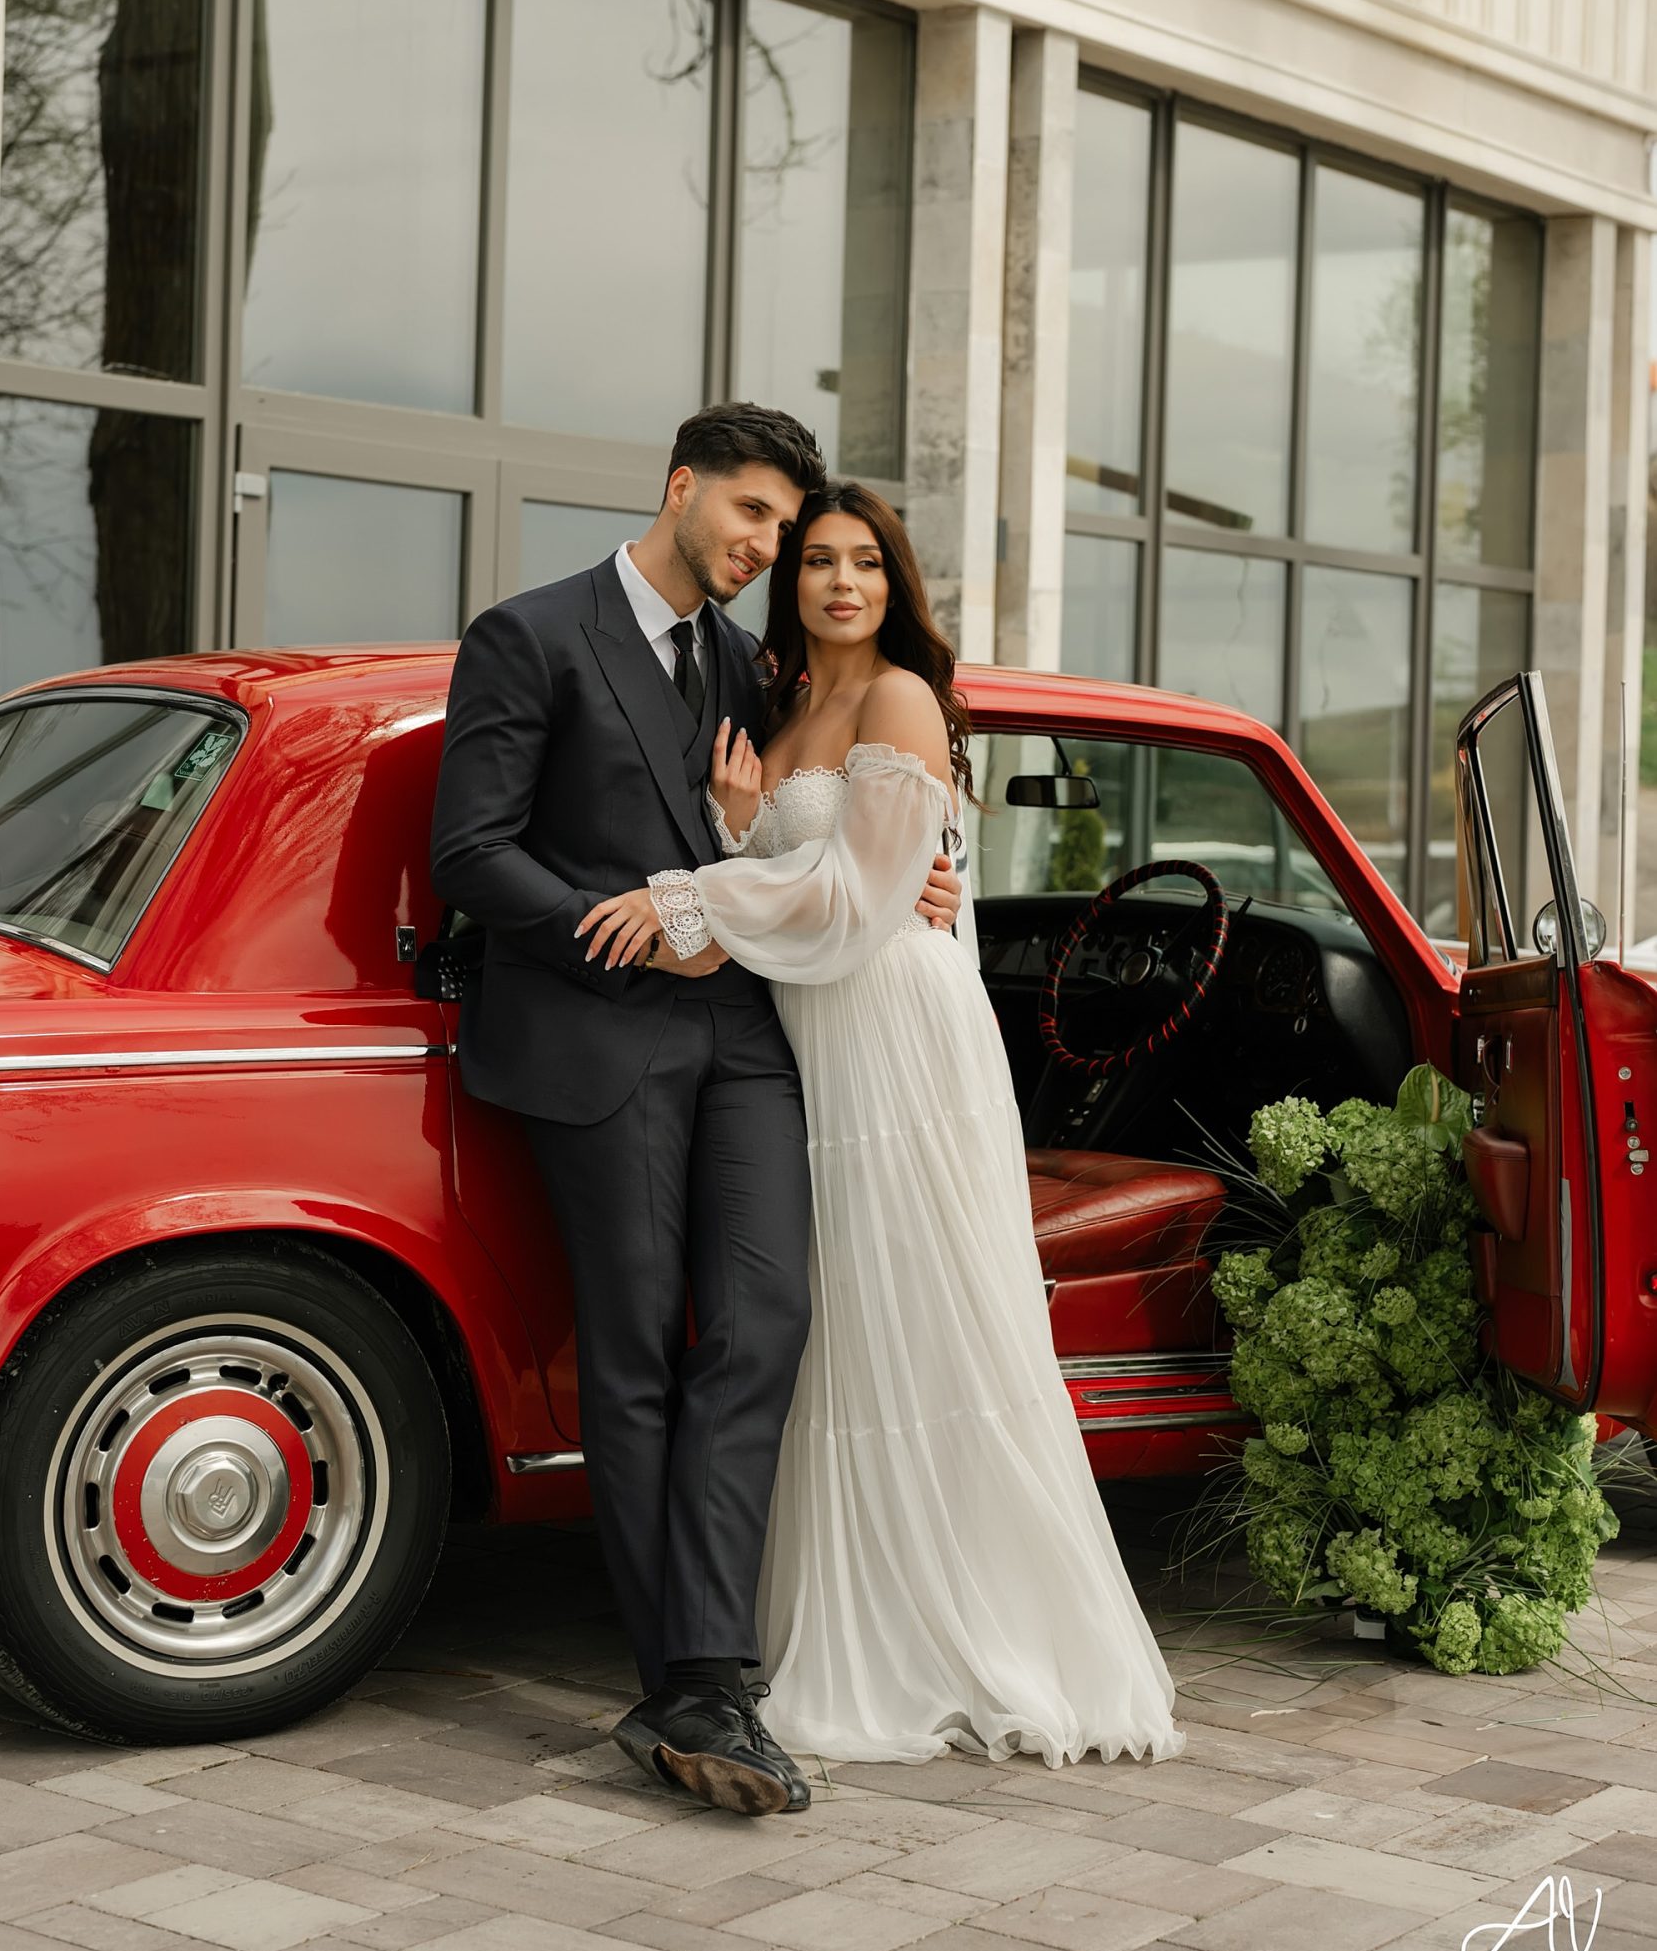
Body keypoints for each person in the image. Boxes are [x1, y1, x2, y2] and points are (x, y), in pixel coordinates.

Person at [579, 481, 1185, 1770]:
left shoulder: (902, 696)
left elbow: (867, 888)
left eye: (865, 562)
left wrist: (697, 896)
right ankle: (851, 1615)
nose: (841, 582)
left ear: (894, 583)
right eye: (817, 561)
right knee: (841, 1323)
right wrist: (739, 832)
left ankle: (960, 1625)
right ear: (790, 581)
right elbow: (829, 872)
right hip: (811, 1031)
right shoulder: (779, 706)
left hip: (898, 1028)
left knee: (922, 1311)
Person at [429, 405, 961, 1821]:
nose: (768, 547)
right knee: (636, 1352)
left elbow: (820, 839)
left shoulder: (750, 668)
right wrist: (624, 934)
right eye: (751, 516)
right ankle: (696, 1681)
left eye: (785, 528)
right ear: (681, 488)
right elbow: (472, 853)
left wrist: (912, 875)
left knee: (763, 1325)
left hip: (748, 1039)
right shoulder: (531, 635)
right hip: (596, 1038)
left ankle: (703, 1675)